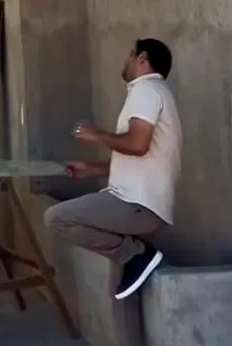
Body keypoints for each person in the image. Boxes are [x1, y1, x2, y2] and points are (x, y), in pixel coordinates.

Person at [43, 38, 182, 300]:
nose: (125, 60)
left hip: (137, 204)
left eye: (130, 54)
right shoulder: (154, 92)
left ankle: (136, 255)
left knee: (56, 218)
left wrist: (96, 135)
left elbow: (137, 145)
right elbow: (141, 158)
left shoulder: (146, 90)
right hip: (138, 202)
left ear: (142, 58)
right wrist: (91, 169)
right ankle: (133, 259)